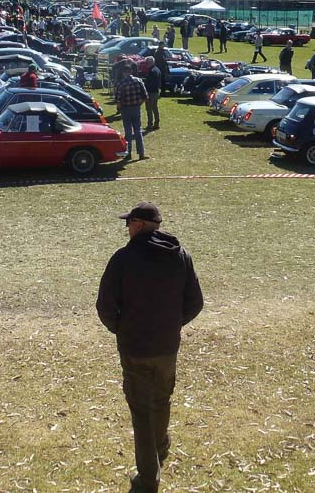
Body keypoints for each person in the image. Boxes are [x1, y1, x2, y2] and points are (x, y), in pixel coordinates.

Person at [96, 202, 203, 493]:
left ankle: (148, 478)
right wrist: (172, 324)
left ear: (140, 225)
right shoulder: (181, 256)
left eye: (128, 223)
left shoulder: (122, 259)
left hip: (135, 347)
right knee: (162, 399)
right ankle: (160, 445)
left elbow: (105, 306)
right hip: (167, 346)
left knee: (141, 410)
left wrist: (120, 328)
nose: (126, 228)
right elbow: (195, 303)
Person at [114, 63, 149, 160]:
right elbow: (145, 96)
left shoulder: (121, 84)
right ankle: (141, 153)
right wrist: (138, 104)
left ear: (123, 72)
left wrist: (121, 109)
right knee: (138, 131)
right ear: (131, 71)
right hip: (136, 108)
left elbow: (118, 100)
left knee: (128, 132)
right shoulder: (138, 81)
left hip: (125, 109)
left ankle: (128, 153)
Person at [142, 57, 162, 130]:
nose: (146, 64)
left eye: (146, 63)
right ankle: (156, 123)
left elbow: (149, 84)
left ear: (149, 63)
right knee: (155, 108)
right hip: (156, 92)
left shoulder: (151, 71)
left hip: (150, 92)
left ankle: (150, 124)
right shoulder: (157, 69)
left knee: (149, 109)